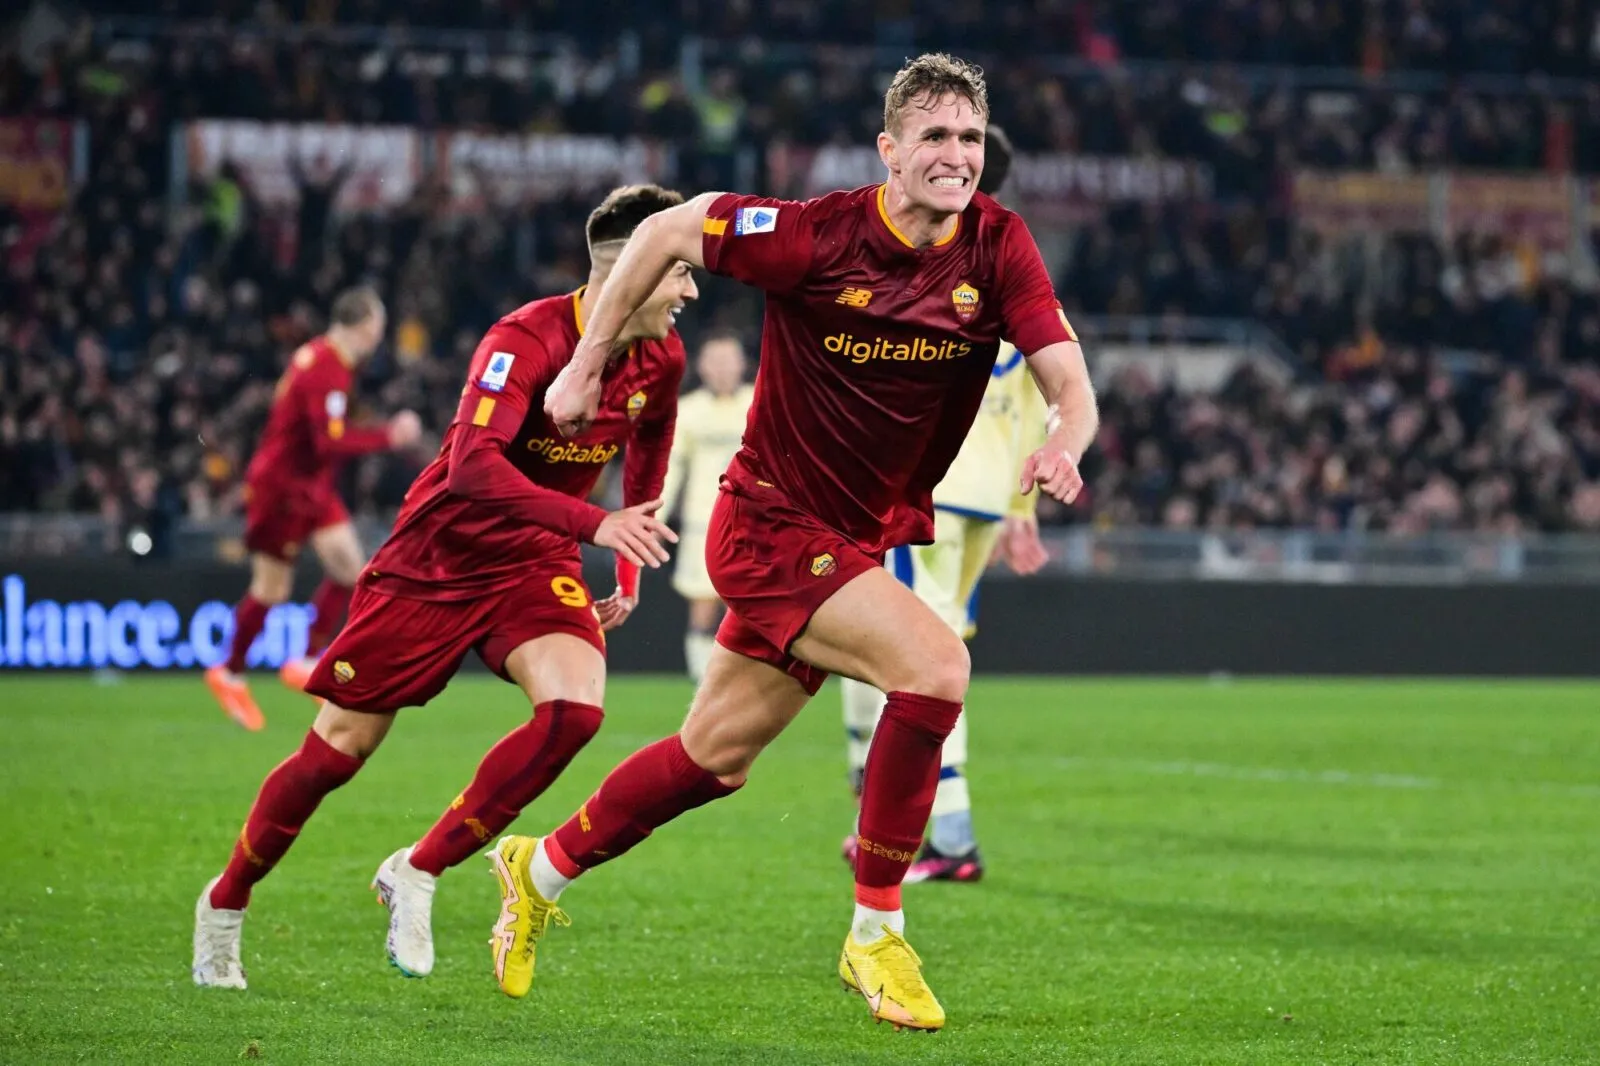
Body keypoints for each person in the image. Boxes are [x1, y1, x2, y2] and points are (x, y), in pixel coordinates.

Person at [489, 53, 1098, 1033]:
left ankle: (538, 868)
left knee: (712, 758)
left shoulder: (997, 244)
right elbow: (664, 229)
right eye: (934, 137)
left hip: (850, 539)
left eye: (969, 138)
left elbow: (1069, 380)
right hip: (771, 526)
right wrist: (588, 361)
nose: (956, 155)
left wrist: (1065, 440)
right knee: (936, 667)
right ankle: (876, 930)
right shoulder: (815, 235)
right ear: (888, 149)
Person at [190, 184, 694, 991]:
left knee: (575, 711)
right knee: (335, 754)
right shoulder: (524, 338)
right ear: (628, 270)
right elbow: (471, 469)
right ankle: (225, 902)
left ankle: (418, 869)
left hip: (534, 559)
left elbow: (652, 445)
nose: (691, 290)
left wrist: (627, 561)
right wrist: (594, 525)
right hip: (439, 556)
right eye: (678, 271)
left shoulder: (661, 358)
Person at [838, 123, 1051, 884]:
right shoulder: (1017, 270)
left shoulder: (925, 261)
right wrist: (1022, 512)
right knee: (923, 653)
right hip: (988, 496)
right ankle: (880, 818)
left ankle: (950, 838)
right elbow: (1038, 406)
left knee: (915, 665)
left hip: (922, 493)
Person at [204, 286, 421, 731]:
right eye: (378, 327)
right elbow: (330, 441)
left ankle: (304, 661)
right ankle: (228, 671)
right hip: (281, 488)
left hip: (311, 485)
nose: (380, 337)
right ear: (365, 326)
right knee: (271, 589)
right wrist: (389, 436)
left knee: (350, 569)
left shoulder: (326, 359)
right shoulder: (326, 369)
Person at [659, 332, 755, 681]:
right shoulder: (688, 411)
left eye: (729, 360)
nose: (722, 369)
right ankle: (702, 678)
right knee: (703, 604)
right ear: (701, 366)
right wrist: (655, 517)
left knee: (754, 605)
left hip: (758, 523)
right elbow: (670, 468)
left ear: (742, 364)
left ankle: (748, 678)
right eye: (715, 361)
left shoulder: (760, 403)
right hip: (704, 523)